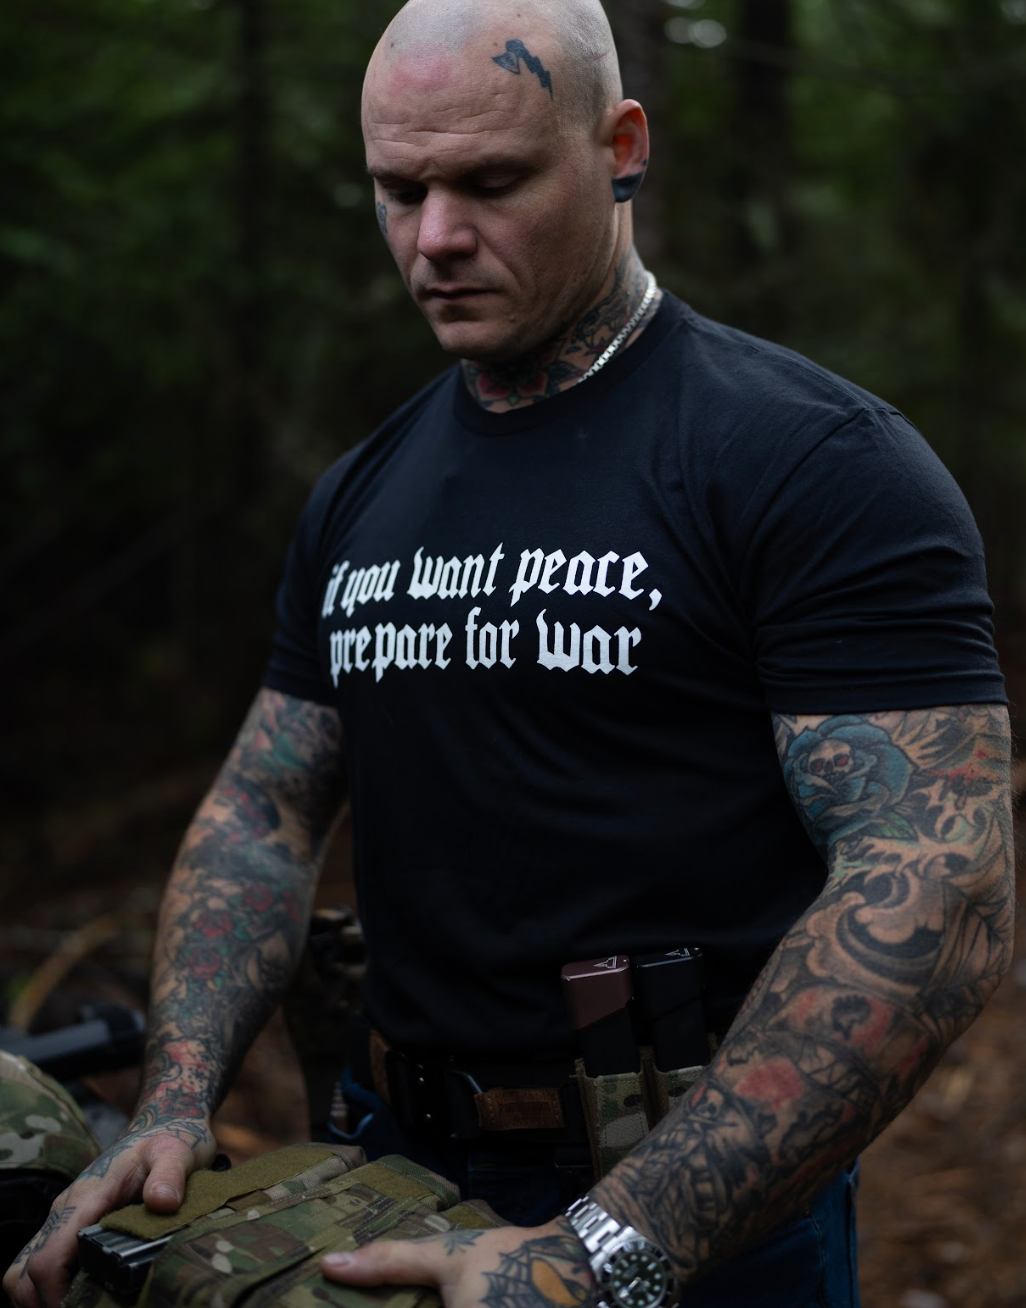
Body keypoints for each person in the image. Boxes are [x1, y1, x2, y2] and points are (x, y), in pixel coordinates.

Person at [5, 0, 1014, 1305]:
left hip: (696, 1207)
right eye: (398, 189)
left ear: (622, 148)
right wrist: (175, 1102)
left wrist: (607, 1251)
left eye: (490, 183)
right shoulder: (362, 492)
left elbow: (937, 893)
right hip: (383, 1167)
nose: (434, 237)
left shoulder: (812, 463)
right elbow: (265, 806)